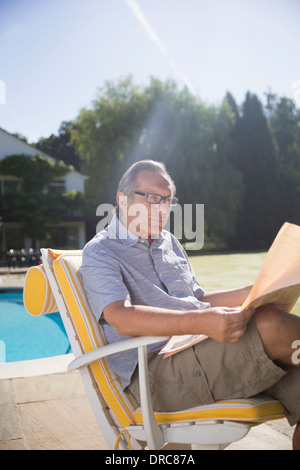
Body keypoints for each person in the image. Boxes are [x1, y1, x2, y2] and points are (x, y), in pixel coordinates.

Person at [79, 160, 300, 450]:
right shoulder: (101, 251)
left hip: (196, 347)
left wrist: (257, 290)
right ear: (123, 200)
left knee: (270, 319)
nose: (162, 207)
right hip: (154, 375)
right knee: (270, 324)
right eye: (153, 198)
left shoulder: (168, 242)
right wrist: (200, 322)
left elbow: (197, 300)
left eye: (168, 199)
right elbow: (121, 317)